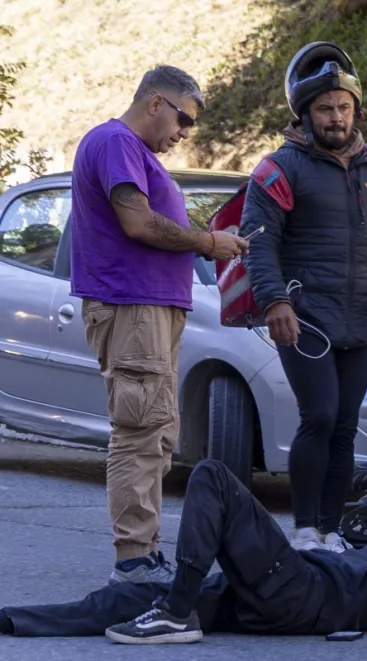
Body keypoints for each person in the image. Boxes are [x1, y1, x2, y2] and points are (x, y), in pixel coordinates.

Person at [238, 42, 367, 553]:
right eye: (325, 108)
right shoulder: (278, 170)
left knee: (344, 427)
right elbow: (259, 242)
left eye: (343, 107)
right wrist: (275, 302)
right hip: (303, 319)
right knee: (318, 416)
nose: (336, 117)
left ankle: (329, 530)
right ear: (304, 113)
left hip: (358, 318)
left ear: (356, 110)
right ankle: (303, 530)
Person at [0, 459, 367, 643]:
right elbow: (354, 500)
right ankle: (12, 622)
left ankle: (175, 614)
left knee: (212, 477)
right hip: (279, 600)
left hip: (299, 590)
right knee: (118, 605)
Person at [69, 65, 248, 585]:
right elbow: (139, 222)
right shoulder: (115, 142)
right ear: (156, 103)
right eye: (184, 119)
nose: (185, 133)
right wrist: (209, 242)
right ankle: (133, 561)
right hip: (131, 307)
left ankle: (144, 555)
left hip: (150, 309)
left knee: (156, 434)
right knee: (139, 432)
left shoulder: (135, 151)